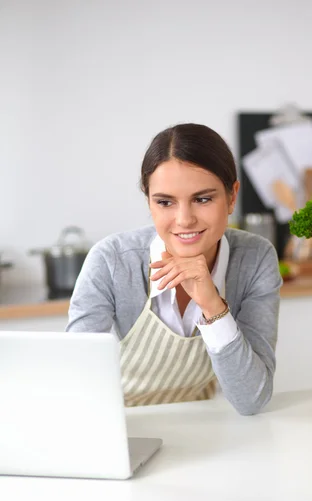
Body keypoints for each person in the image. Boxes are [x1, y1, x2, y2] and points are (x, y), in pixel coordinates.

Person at [67, 123, 282, 414]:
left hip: (204, 424)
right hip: (122, 425)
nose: (184, 220)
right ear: (149, 203)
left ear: (232, 197)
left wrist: (211, 304)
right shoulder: (111, 260)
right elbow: (75, 379)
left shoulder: (256, 259)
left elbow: (251, 399)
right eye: (165, 202)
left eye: (202, 199)